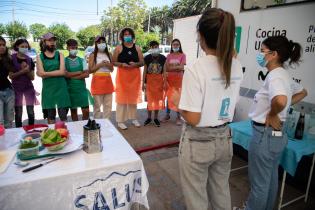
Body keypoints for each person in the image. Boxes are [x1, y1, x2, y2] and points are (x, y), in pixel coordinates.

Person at [172, 8, 243, 210]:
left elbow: (193, 118)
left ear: (201, 36)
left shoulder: (196, 68)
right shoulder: (235, 65)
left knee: (197, 199)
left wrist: (178, 102)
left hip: (197, 141)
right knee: (221, 192)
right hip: (224, 138)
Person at [243, 36, 307, 210]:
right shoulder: (282, 74)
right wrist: (282, 108)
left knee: (259, 184)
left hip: (265, 134)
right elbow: (303, 92)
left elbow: (280, 100)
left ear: (274, 54)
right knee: (270, 178)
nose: (260, 54)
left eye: (262, 51)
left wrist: (273, 113)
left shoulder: (275, 76)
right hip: (277, 136)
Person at [112, 27, 144, 130]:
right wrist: (121, 64)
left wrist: (135, 64)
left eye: (129, 34)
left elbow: (142, 62)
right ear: (122, 36)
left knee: (133, 98)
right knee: (121, 99)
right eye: (125, 34)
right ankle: (120, 121)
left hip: (135, 77)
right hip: (122, 76)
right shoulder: (118, 48)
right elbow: (113, 62)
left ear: (132, 36)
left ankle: (133, 118)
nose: (127, 36)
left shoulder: (137, 48)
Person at [36, 32, 71, 124]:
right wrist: (57, 72)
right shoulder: (40, 56)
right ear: (44, 42)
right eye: (49, 40)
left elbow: (62, 71)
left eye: (53, 40)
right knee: (51, 117)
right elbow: (42, 73)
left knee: (63, 117)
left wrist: (44, 73)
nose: (52, 42)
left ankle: (65, 135)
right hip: (48, 91)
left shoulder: (60, 55)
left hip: (61, 89)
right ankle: (53, 136)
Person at [10, 38, 36, 127]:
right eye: (22, 46)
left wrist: (27, 70)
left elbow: (32, 77)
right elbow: (11, 76)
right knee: (18, 113)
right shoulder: (12, 58)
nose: (25, 48)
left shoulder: (30, 60)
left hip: (28, 88)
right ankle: (19, 130)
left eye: (26, 46)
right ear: (17, 46)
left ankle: (32, 129)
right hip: (16, 88)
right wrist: (23, 71)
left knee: (31, 112)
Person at [89, 35, 114, 119]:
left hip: (108, 81)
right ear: (96, 44)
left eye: (103, 42)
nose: (101, 44)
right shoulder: (92, 55)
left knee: (108, 105)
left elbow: (112, 69)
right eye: (99, 42)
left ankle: (107, 123)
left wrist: (107, 64)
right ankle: (97, 124)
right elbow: (90, 70)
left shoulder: (109, 54)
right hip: (97, 81)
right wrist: (100, 64)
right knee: (97, 106)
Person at [65, 39, 90, 121]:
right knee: (73, 111)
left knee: (86, 111)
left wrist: (72, 76)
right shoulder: (64, 61)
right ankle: (76, 128)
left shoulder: (82, 60)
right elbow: (65, 75)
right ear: (67, 48)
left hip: (81, 89)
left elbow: (86, 74)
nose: (74, 50)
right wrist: (79, 72)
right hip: (70, 90)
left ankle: (85, 125)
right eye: (72, 48)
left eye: (76, 48)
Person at [142, 41, 166, 127]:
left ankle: (155, 118)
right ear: (150, 48)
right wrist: (143, 83)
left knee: (157, 101)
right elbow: (144, 71)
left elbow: (165, 71)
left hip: (159, 82)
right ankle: (149, 118)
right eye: (153, 47)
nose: (155, 48)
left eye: (156, 46)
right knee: (149, 100)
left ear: (158, 47)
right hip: (149, 82)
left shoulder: (163, 58)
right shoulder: (147, 58)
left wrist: (165, 83)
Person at [162, 38, 186, 126]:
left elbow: (182, 68)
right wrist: (176, 67)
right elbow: (166, 68)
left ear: (179, 46)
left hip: (179, 80)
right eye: (174, 45)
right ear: (172, 46)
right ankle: (167, 115)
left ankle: (178, 117)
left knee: (178, 98)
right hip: (170, 80)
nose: (175, 46)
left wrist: (171, 68)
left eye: (177, 44)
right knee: (169, 97)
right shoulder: (169, 56)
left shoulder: (183, 55)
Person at [0, 36, 15, 128]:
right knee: (0, 122)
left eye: (3, 45)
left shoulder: (7, 59)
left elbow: (11, 75)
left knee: (9, 121)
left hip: (9, 91)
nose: (2, 47)